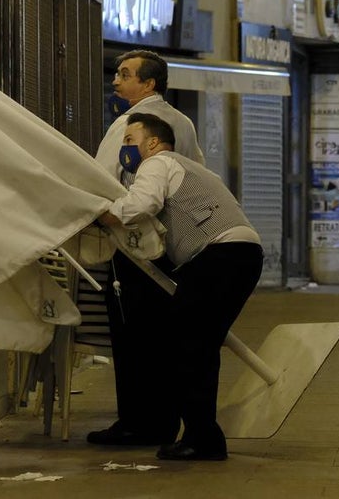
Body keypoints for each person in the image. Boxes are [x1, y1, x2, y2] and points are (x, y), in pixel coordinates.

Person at [99, 112, 263, 461]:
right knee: (195, 343)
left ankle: (203, 439)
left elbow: (142, 204)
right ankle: (200, 434)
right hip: (241, 253)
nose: (124, 148)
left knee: (189, 345)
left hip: (219, 254)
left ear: (153, 142)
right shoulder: (194, 168)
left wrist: (103, 213)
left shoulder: (157, 163)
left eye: (129, 140)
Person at [87, 50, 205, 449]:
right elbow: (197, 169)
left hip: (133, 240)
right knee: (165, 335)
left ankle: (137, 422)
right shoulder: (184, 123)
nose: (116, 81)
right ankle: (164, 420)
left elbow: (102, 177)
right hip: (174, 244)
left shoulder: (128, 123)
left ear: (149, 83)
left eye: (125, 75)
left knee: (132, 334)